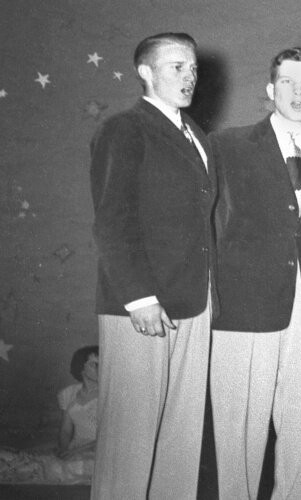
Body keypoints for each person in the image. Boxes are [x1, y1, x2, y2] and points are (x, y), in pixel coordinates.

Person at [209, 47, 301, 499]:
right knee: (239, 428)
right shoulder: (226, 145)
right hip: (243, 306)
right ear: (270, 89)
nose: (298, 91)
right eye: (287, 81)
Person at [89, 32, 216, 499]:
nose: (189, 77)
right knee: (131, 441)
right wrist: (140, 298)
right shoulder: (124, 128)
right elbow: (112, 218)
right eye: (176, 67)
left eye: (194, 68)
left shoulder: (196, 134)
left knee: (180, 440)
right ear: (145, 72)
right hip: (142, 307)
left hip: (192, 303)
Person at [0, 346, 99, 484]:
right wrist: (65, 450)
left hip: (97, 450)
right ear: (82, 368)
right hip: (74, 447)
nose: (99, 368)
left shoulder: (107, 395)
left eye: (101, 364)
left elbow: (107, 437)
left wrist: (75, 452)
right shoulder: (69, 393)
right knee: (22, 458)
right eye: (94, 364)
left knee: (51, 469)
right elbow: (65, 430)